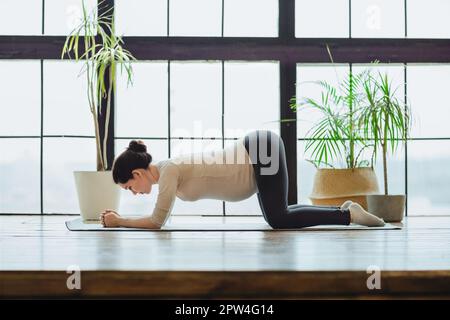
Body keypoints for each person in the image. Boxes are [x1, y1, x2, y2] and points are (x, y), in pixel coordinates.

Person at [101, 130, 385, 229]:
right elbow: (160, 216)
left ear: (137, 174)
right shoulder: (166, 173)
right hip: (258, 151)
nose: (134, 193)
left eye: (129, 187)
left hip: (259, 150)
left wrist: (119, 221)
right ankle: (346, 212)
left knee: (278, 218)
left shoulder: (168, 171)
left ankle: (348, 216)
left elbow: (156, 222)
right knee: (278, 217)